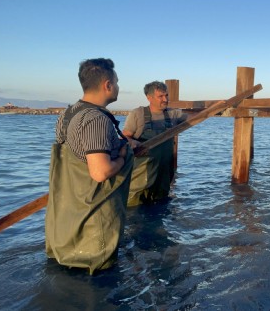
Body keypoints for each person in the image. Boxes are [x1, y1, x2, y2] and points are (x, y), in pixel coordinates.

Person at [45, 58, 133, 274]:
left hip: (65, 229)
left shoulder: (68, 114)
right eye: (117, 82)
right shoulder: (96, 120)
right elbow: (100, 171)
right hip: (94, 235)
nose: (118, 87)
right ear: (107, 85)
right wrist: (122, 158)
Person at [122, 81, 188, 206]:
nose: (165, 99)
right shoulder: (138, 113)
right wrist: (132, 141)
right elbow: (125, 137)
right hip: (142, 174)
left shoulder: (173, 114)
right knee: (135, 207)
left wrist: (215, 109)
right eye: (161, 96)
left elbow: (194, 116)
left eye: (166, 95)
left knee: (161, 206)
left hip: (163, 175)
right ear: (149, 97)